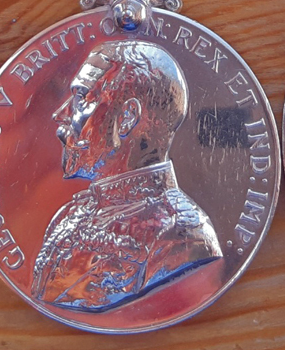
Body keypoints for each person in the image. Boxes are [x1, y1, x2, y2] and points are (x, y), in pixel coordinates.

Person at [31, 40, 222, 312]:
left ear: (127, 118)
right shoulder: (69, 215)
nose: (60, 115)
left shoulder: (182, 235)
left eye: (81, 99)